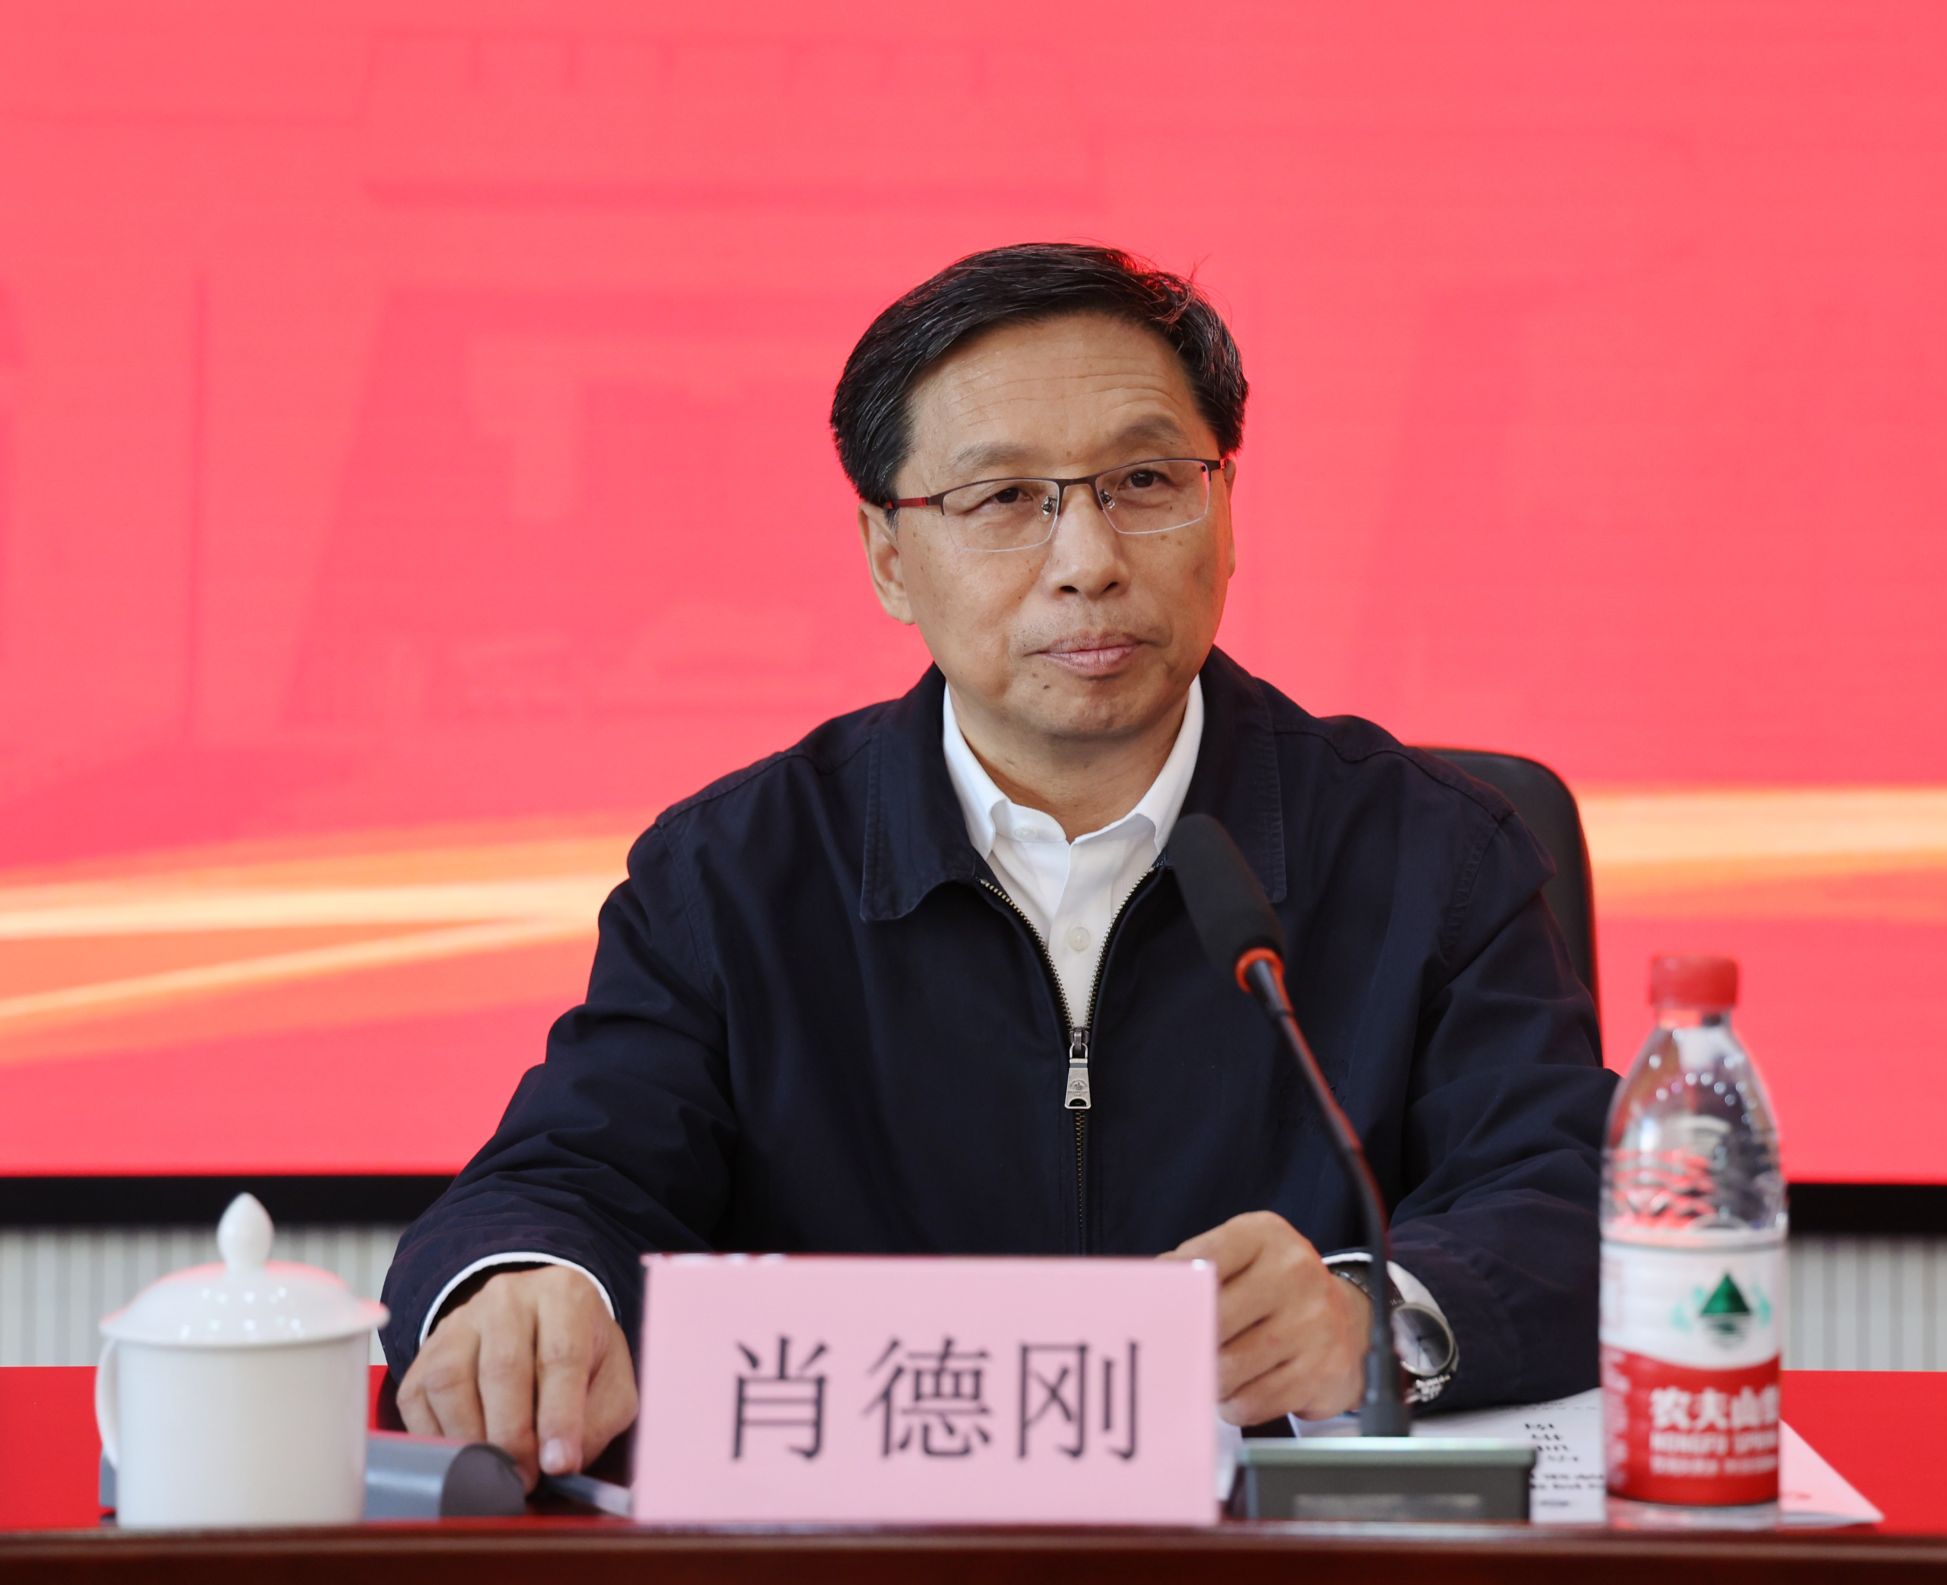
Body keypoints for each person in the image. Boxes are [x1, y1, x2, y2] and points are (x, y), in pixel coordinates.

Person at [380, 242, 1616, 1492]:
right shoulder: (731, 875)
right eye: (1004, 498)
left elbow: (1571, 1194)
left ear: (1227, 511)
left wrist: (1369, 1317)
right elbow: (567, 1174)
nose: (1087, 559)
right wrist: (526, 1286)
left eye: (1144, 481)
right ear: (887, 554)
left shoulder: (1431, 852)